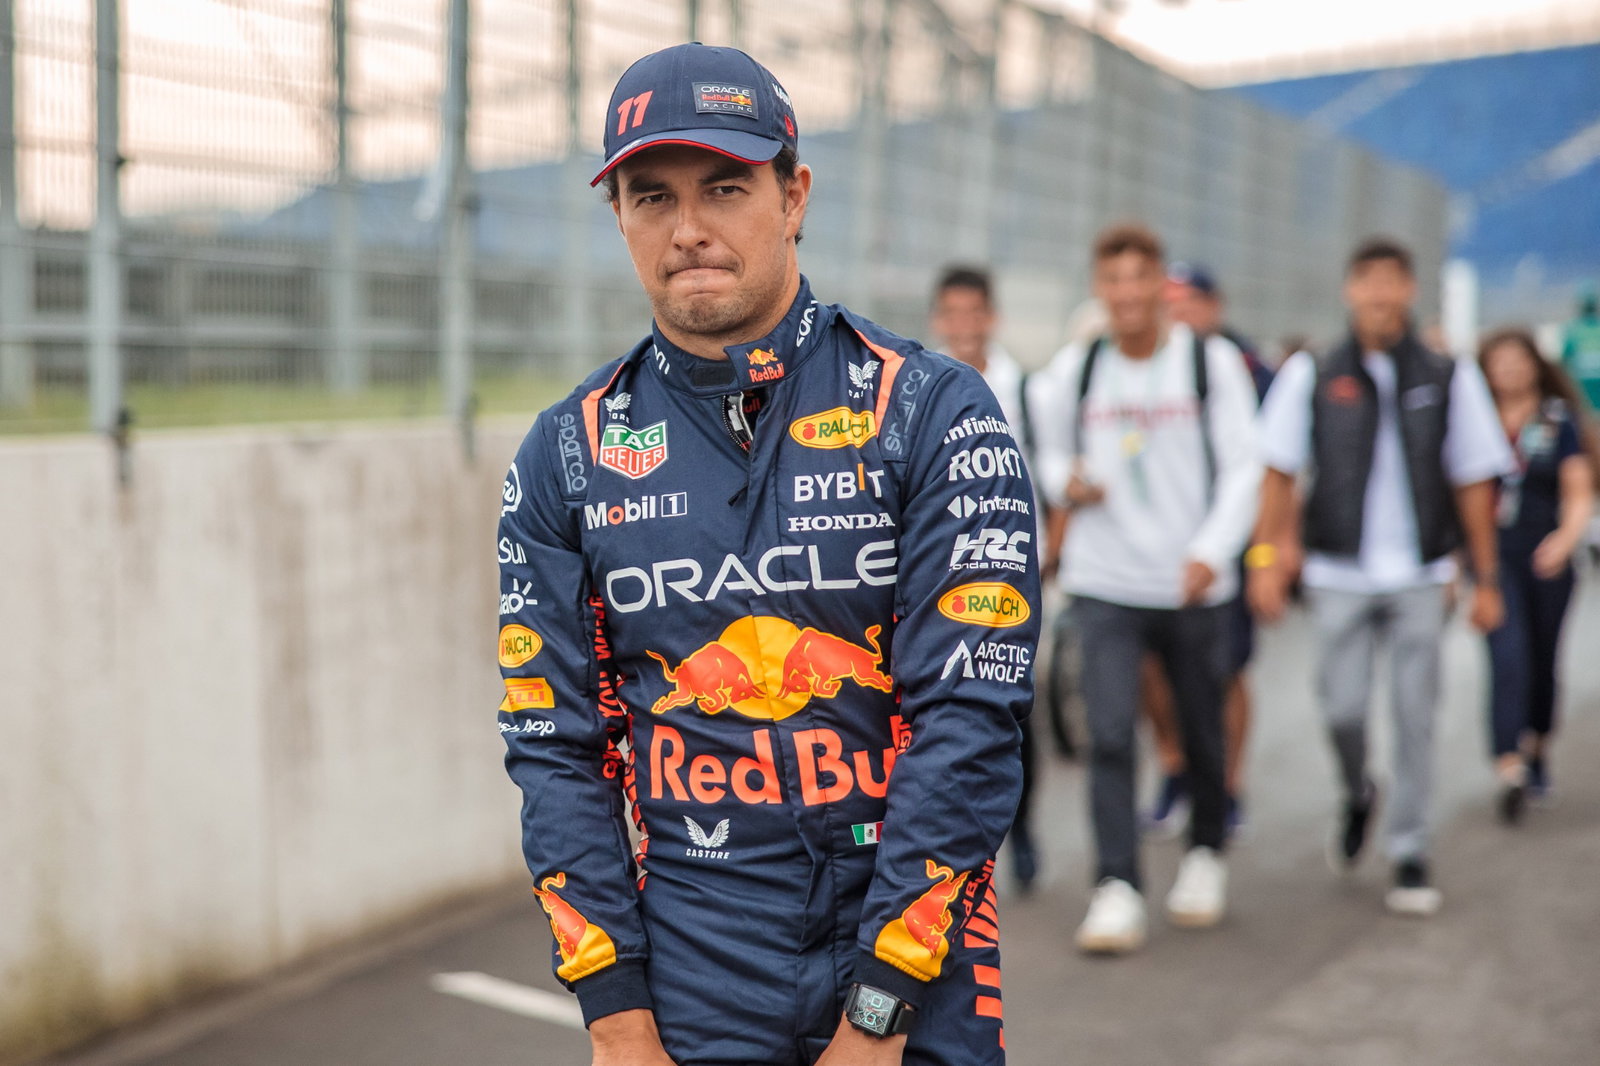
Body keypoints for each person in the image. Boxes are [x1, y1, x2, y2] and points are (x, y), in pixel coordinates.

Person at [496, 43, 1039, 1066]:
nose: (689, 228)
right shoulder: (568, 452)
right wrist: (617, 1025)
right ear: (618, 216)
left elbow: (969, 721)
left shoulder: (926, 410)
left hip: (913, 952)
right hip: (695, 956)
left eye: (726, 187)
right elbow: (554, 747)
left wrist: (877, 1016)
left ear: (794, 195)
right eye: (651, 195)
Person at [1249, 236, 1513, 918]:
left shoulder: (1447, 376)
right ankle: (1358, 790)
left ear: (1409, 290)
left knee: (1415, 712)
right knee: (1340, 708)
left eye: (1392, 280)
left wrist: (1485, 577)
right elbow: (1277, 471)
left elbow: (1475, 480)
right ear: (1349, 291)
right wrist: (1266, 560)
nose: (1379, 294)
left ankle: (1410, 847)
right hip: (1339, 568)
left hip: (1421, 571)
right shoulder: (1314, 372)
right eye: (1366, 280)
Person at [1033, 223, 1262, 954]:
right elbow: (1047, 452)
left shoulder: (1209, 363)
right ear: (1100, 288)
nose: (1127, 294)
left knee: (1200, 730)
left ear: (1159, 284)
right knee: (1106, 734)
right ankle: (1117, 886)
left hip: (1190, 582)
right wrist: (1064, 479)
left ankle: (1204, 855)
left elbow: (1244, 467)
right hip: (1105, 581)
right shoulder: (1078, 368)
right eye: (1113, 280)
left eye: (1140, 279)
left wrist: (1213, 550)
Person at [1141, 263, 1273, 840]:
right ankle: (1175, 767)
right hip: (1155, 550)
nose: (1177, 309)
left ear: (1214, 305)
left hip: (1230, 546)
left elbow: (1274, 470)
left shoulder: (1245, 367)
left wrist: (1264, 557)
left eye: (1187, 299)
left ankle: (1227, 782)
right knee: (1154, 669)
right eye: (1167, 299)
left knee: (1227, 670)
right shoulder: (1146, 361)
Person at [929, 264, 1044, 890]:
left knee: (1017, 715)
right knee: (952, 717)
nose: (965, 324)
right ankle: (974, 846)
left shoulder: (1027, 389)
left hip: (1021, 581)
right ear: (939, 319)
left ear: (991, 317)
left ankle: (1023, 829)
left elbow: (1047, 477)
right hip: (947, 585)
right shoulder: (924, 389)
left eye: (975, 312)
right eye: (953, 313)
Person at [1478, 327, 1596, 818]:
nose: (1508, 370)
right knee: (1508, 659)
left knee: (1542, 662)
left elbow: (1577, 488)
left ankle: (1538, 744)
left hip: (1546, 555)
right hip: (1496, 558)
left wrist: (1566, 539)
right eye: (1498, 361)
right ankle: (1509, 762)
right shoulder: (1475, 420)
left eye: (1517, 360)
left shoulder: (1556, 420)